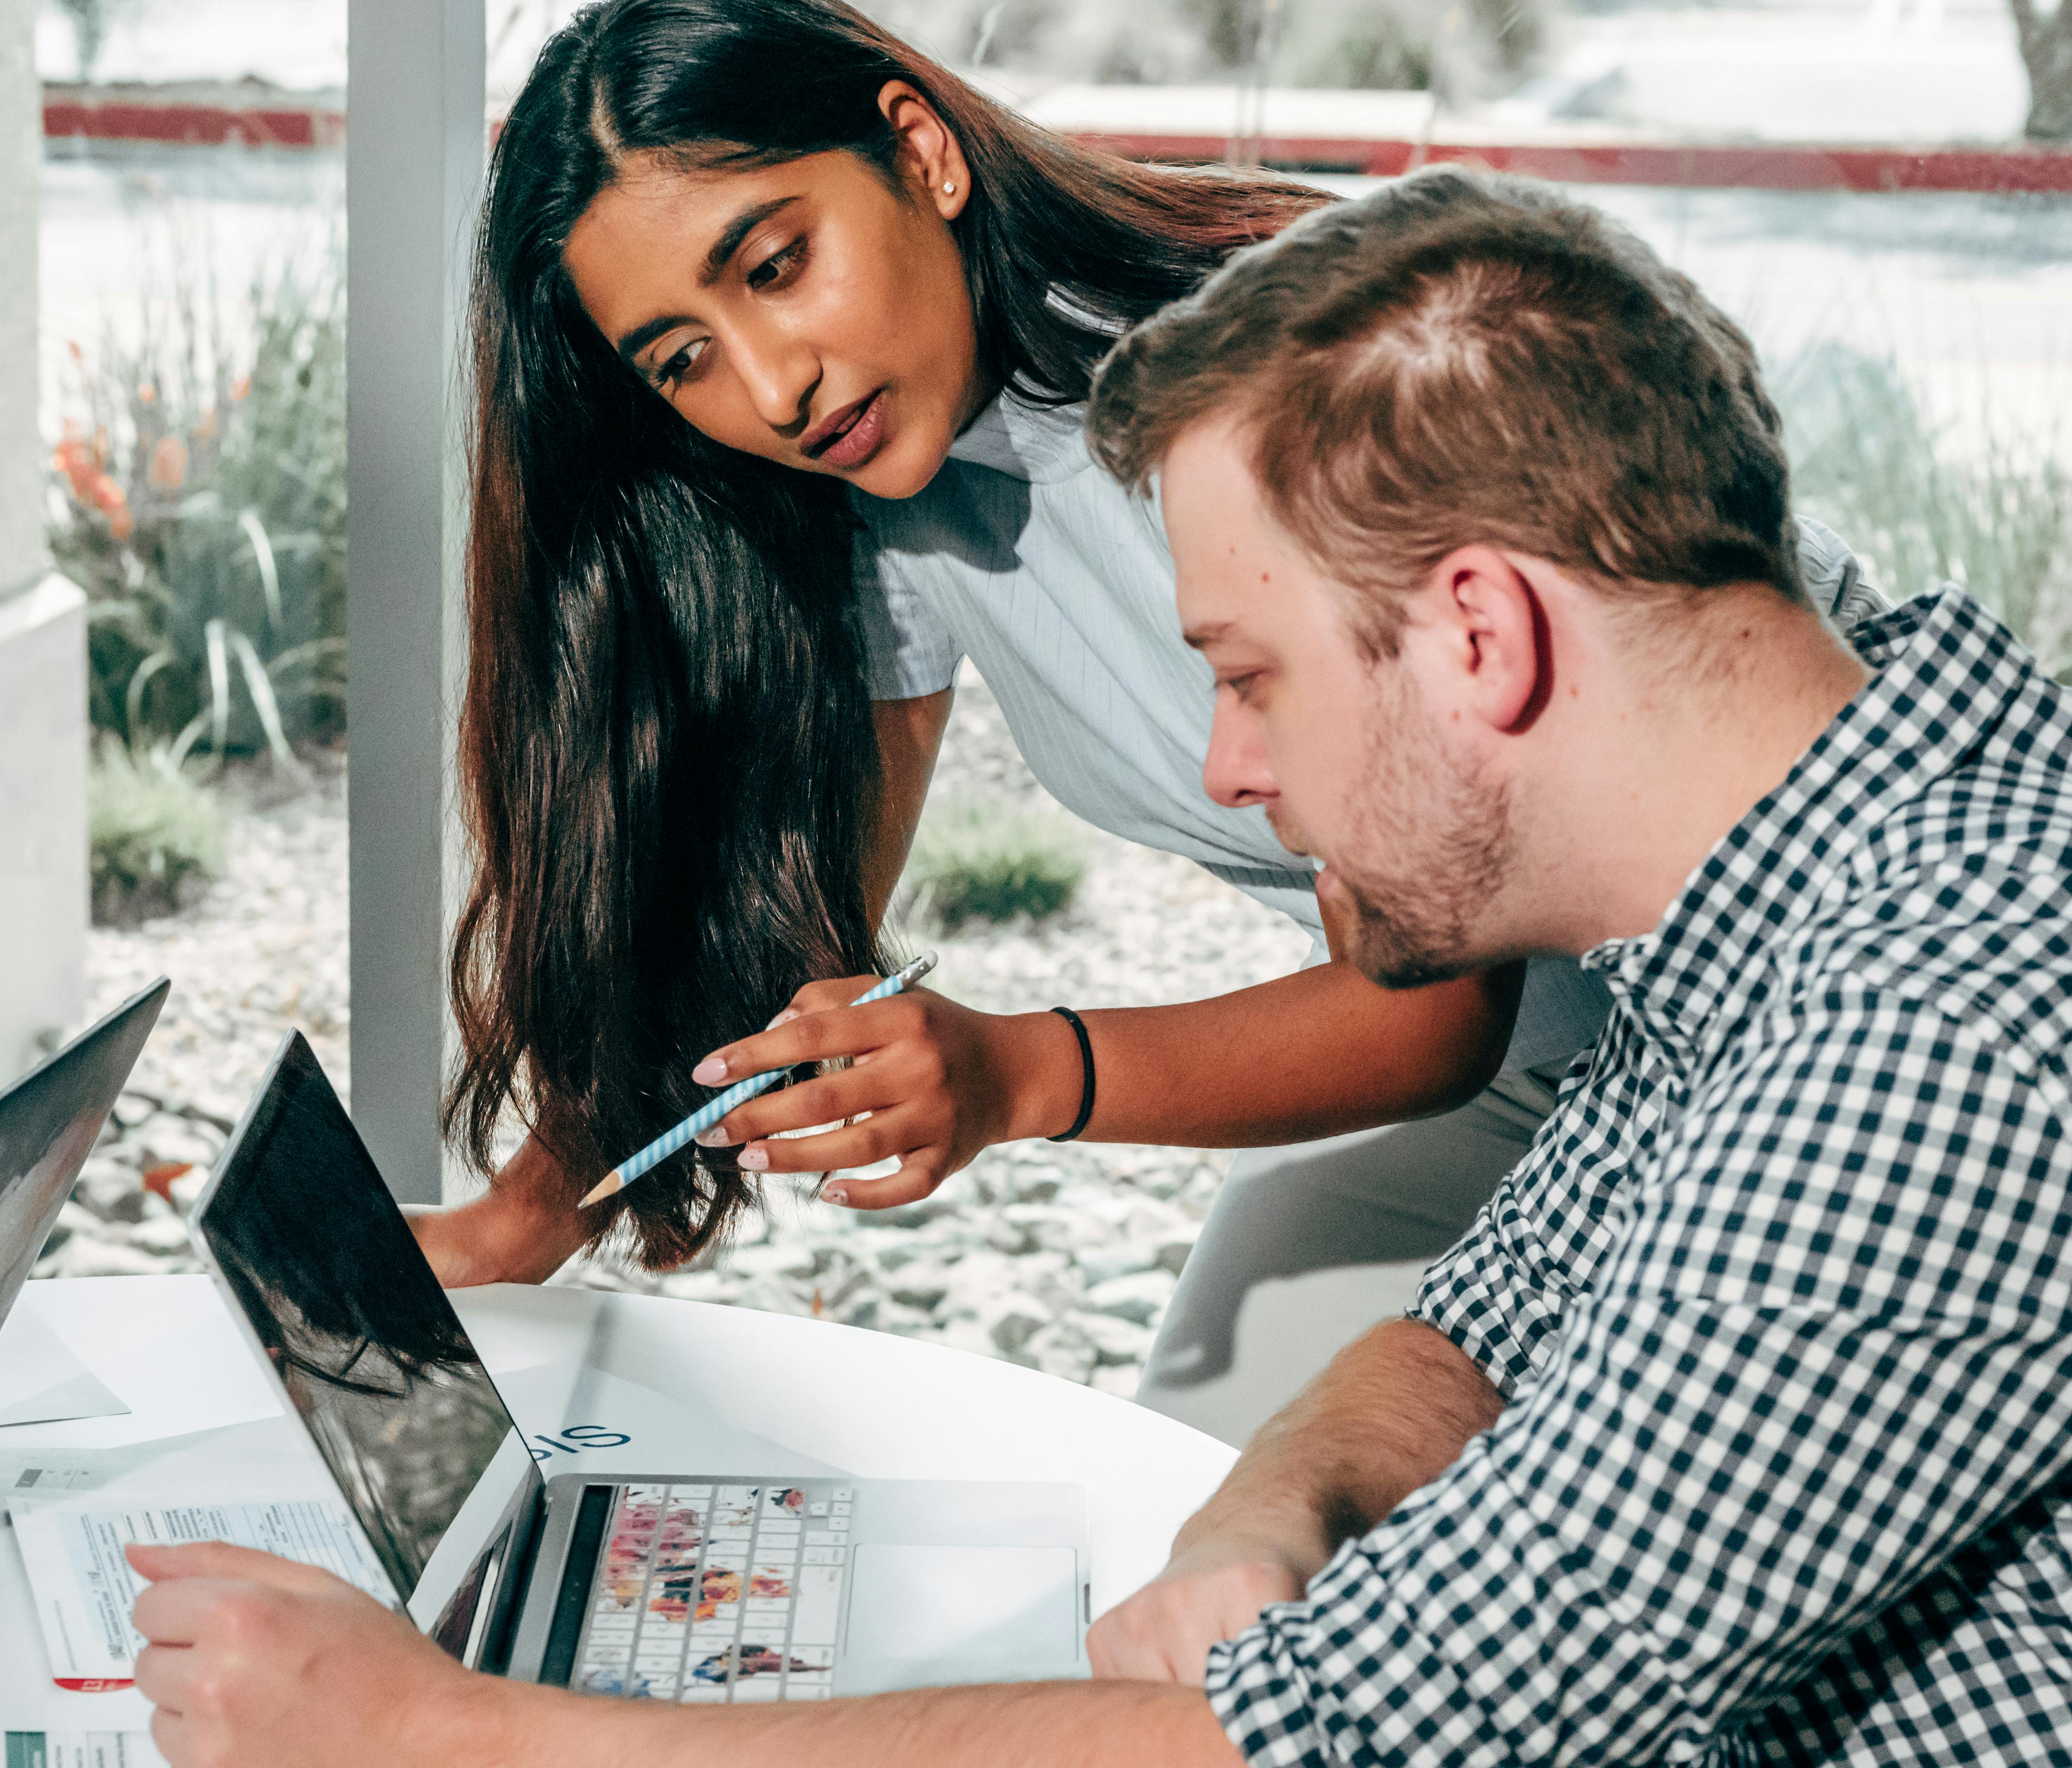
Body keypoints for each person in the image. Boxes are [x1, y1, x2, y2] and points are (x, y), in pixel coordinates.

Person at [121, 169, 2072, 1766]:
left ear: (1480, 630)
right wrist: (1267, 1512)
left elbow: (1333, 1747)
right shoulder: (1775, 901)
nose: (1221, 778)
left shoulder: (1924, 1049)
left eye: (1246, 675)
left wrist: (450, 1735)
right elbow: (1495, 1306)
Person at [410, 0, 1876, 1438]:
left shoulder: (1271, 377)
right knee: (1198, 1499)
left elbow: (1423, 1002)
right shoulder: (885, 482)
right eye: (682, 361)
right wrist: (520, 1215)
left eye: (778, 265)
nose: (772, 384)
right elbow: (788, 929)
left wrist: (1014, 1071)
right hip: (1564, 1077)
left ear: (918, 151)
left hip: (1817, 1013)